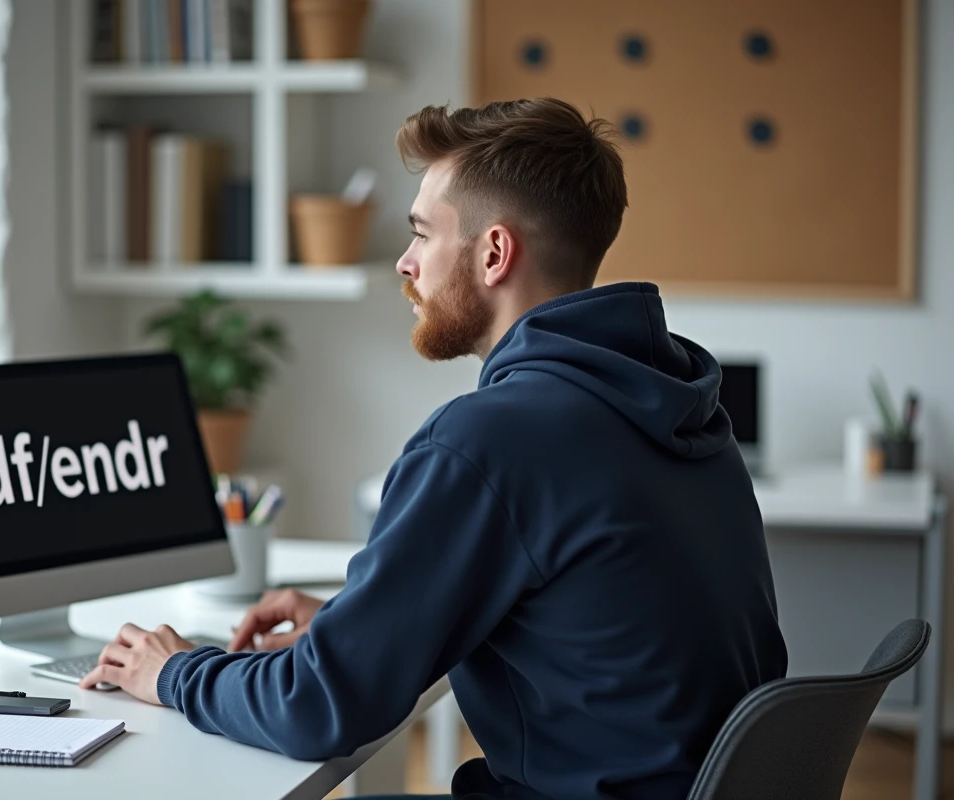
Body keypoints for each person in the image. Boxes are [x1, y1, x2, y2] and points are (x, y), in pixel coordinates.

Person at [80, 98, 788, 800]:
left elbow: (317, 708)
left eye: (422, 234)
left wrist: (170, 671)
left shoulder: (491, 441)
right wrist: (352, 628)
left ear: (494, 253)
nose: (405, 262)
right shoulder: (675, 406)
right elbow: (599, 636)